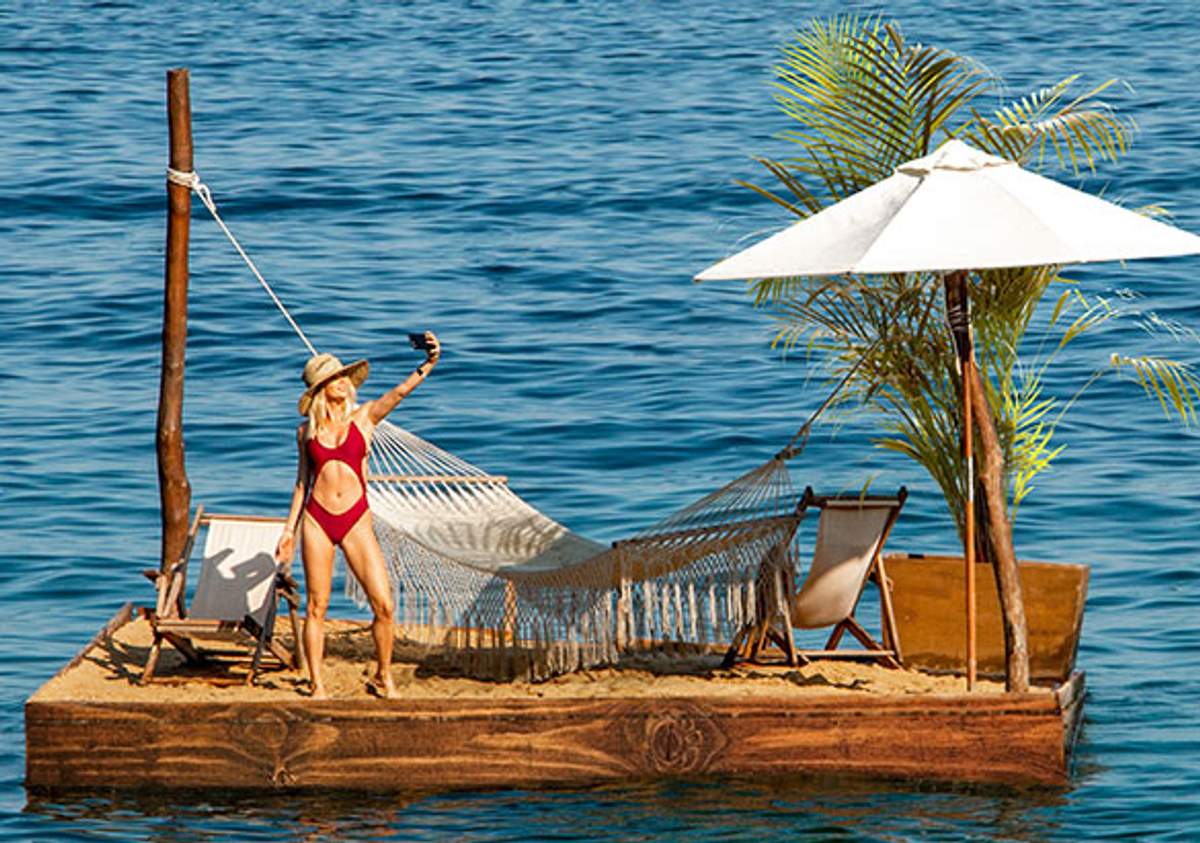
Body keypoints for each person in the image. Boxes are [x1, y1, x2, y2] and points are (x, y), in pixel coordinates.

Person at [275, 333, 441, 698]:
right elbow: (302, 483)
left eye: (343, 377)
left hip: (355, 519)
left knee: (383, 603)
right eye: (333, 379)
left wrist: (427, 364)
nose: (342, 383)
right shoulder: (306, 432)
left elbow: (397, 394)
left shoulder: (364, 418)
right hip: (317, 519)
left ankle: (384, 675)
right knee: (316, 606)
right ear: (320, 390)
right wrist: (289, 531)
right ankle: (317, 685)